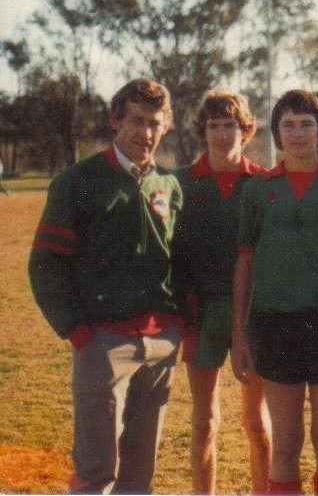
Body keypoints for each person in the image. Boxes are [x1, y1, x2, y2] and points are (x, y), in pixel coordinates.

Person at [29, 78, 183, 494]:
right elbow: (45, 265)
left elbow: (180, 262)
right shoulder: (78, 182)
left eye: (155, 122)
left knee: (139, 477)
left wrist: (175, 326)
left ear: (165, 127)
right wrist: (78, 331)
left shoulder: (168, 186)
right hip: (103, 342)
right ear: (116, 120)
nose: (145, 132)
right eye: (136, 120)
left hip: (160, 344)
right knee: (96, 473)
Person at [232, 89, 318, 495]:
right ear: (276, 133)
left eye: (306, 124)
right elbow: (244, 264)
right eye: (288, 125)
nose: (297, 133)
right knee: (286, 446)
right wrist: (238, 334)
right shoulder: (259, 191)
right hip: (274, 326)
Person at [172, 90, 270, 494]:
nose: (222, 133)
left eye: (230, 125)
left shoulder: (263, 183)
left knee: (254, 419)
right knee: (204, 421)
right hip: (202, 312)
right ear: (203, 131)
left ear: (245, 131)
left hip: (251, 313)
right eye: (214, 125)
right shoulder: (180, 183)